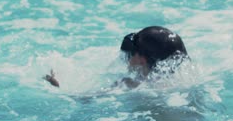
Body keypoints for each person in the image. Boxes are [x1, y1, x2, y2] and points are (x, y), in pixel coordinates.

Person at [44, 26, 189, 88]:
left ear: (141, 59)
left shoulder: (129, 84)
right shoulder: (182, 83)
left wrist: (55, 84)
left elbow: (83, 101)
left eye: (133, 51)